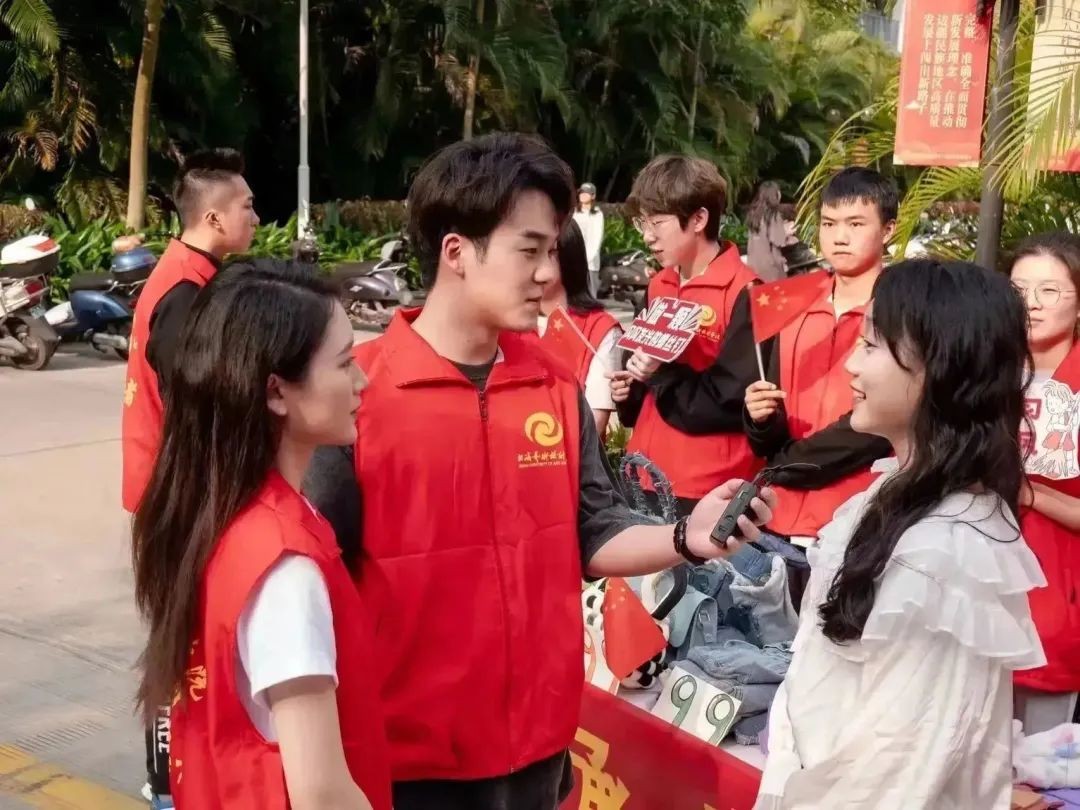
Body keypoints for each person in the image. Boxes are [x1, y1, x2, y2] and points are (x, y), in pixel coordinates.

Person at [302, 132, 777, 810]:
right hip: (405, 758)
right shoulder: (359, 396)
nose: (548, 274)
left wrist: (687, 537)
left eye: (552, 250)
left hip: (539, 745)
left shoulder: (553, 387)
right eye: (529, 250)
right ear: (456, 252)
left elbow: (594, 526)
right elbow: (311, 581)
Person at [756, 259, 1046, 809]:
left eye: (871, 346)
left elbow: (901, 769)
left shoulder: (948, 551)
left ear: (940, 367)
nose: (850, 365)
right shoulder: (889, 494)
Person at [132, 262, 392, 810]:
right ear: (276, 391)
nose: (362, 381)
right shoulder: (285, 566)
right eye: (345, 362)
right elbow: (321, 792)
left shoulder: (217, 516)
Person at [119, 148, 258, 809]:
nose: (254, 216)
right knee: (180, 641)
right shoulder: (182, 295)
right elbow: (196, 407)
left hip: (171, 489)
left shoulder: (190, 276)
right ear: (214, 217)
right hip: (174, 494)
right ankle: (166, 781)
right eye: (246, 206)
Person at [742, 167, 897, 605]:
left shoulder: (899, 313)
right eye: (829, 224)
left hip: (857, 521)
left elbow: (878, 424)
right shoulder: (793, 305)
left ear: (888, 230)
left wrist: (782, 466)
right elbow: (771, 425)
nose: (839, 237)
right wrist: (758, 418)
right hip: (777, 520)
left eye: (856, 224)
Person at [610, 154, 760, 518]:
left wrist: (660, 373)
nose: (647, 236)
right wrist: (629, 388)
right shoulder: (659, 284)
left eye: (657, 223)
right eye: (643, 222)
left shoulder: (745, 291)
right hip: (644, 472)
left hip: (708, 483)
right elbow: (641, 375)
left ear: (698, 219)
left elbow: (734, 399)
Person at [1010, 231, 1080, 732]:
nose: (1031, 303)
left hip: (1056, 613)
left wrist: (1025, 492)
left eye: (1049, 291)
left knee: (1042, 762)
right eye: (1019, 290)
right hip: (974, 605)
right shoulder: (984, 375)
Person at [539, 219, 623, 433]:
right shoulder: (504, 324)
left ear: (569, 257)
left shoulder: (600, 330)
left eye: (546, 251)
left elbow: (594, 427)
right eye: (526, 251)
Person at [745, 181, 796, 282]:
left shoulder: (753, 214)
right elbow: (779, 241)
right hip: (770, 267)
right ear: (776, 195)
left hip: (753, 265)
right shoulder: (773, 215)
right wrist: (787, 232)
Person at [572, 181, 604, 294]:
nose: (583, 195)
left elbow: (597, 238)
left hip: (591, 263)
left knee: (591, 293)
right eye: (581, 193)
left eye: (586, 193)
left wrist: (587, 258)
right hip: (575, 260)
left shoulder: (597, 214)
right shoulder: (574, 213)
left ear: (593, 196)